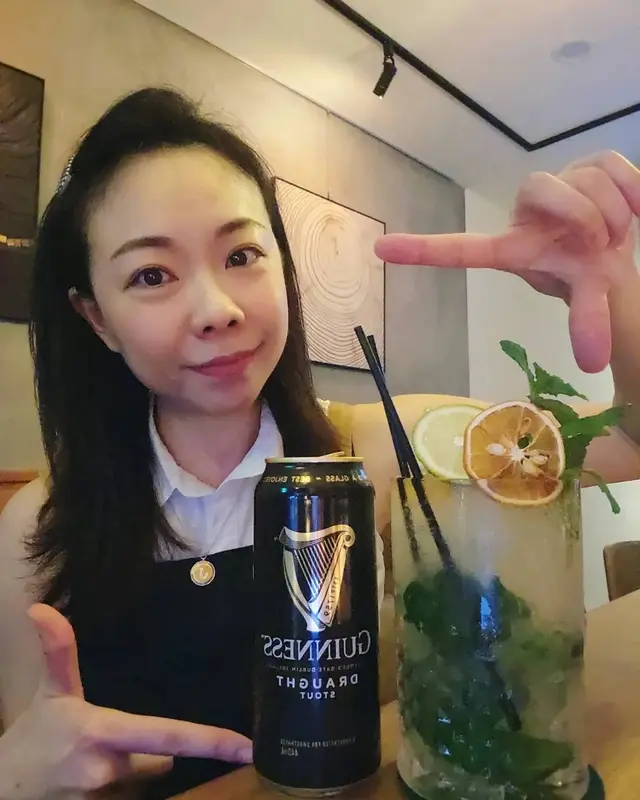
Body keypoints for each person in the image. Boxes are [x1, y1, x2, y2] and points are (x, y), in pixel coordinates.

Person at [0, 87, 638, 800]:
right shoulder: (35, 527)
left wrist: (617, 287)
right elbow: (35, 750)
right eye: (152, 275)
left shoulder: (373, 447)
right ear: (97, 318)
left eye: (242, 254)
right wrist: (13, 777)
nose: (217, 309)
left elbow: (628, 440)